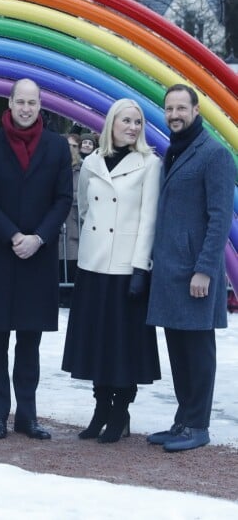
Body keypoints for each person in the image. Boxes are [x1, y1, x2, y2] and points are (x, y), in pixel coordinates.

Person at [0, 78, 73, 440]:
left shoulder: (57, 146)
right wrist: (14, 235)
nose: (26, 108)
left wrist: (39, 237)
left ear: (40, 105)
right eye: (21, 102)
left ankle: (26, 416)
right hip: (1, 253)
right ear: (10, 104)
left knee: (30, 341)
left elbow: (63, 198)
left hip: (39, 256)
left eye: (32, 102)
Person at [61, 99, 162, 443]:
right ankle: (101, 407)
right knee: (97, 343)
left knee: (124, 346)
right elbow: (85, 209)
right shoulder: (91, 162)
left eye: (138, 122)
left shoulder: (149, 164)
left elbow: (149, 218)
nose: (133, 127)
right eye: (126, 121)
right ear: (111, 124)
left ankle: (120, 411)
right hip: (93, 264)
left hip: (125, 266)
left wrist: (140, 267)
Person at [146, 84, 236, 452]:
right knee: (179, 352)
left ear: (196, 111)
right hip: (171, 271)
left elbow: (219, 220)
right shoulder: (174, 150)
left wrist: (205, 270)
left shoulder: (214, 154)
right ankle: (183, 420)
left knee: (198, 353)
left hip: (195, 273)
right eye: (169, 109)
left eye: (182, 108)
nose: (174, 115)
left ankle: (198, 425)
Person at [58, 133, 82, 307]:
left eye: (74, 146)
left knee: (73, 255)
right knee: (59, 256)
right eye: (68, 145)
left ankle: (71, 294)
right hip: (59, 220)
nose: (70, 150)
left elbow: (84, 194)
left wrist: (66, 197)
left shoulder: (83, 169)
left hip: (75, 220)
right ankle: (59, 293)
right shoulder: (55, 165)